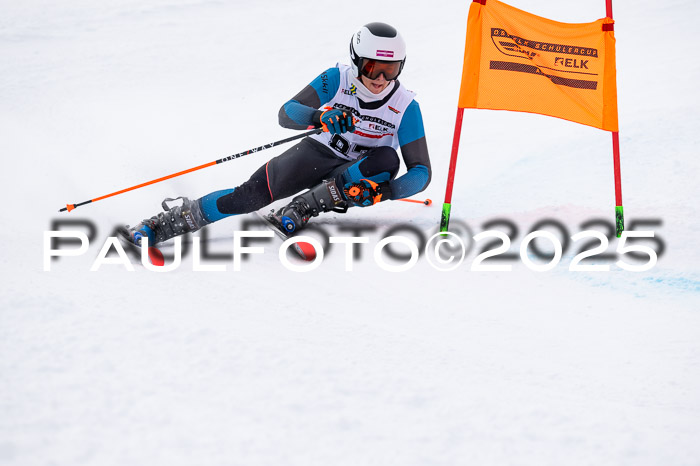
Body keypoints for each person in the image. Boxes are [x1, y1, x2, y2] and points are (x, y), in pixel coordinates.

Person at [120, 22, 431, 246]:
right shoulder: (337, 78)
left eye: (390, 69)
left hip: (354, 174)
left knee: (387, 159)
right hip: (315, 154)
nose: (379, 78)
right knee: (248, 197)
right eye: (372, 67)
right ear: (356, 61)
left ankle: (303, 207)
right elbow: (287, 113)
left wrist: (385, 193)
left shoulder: (405, 106)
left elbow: (421, 172)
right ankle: (164, 224)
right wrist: (319, 116)